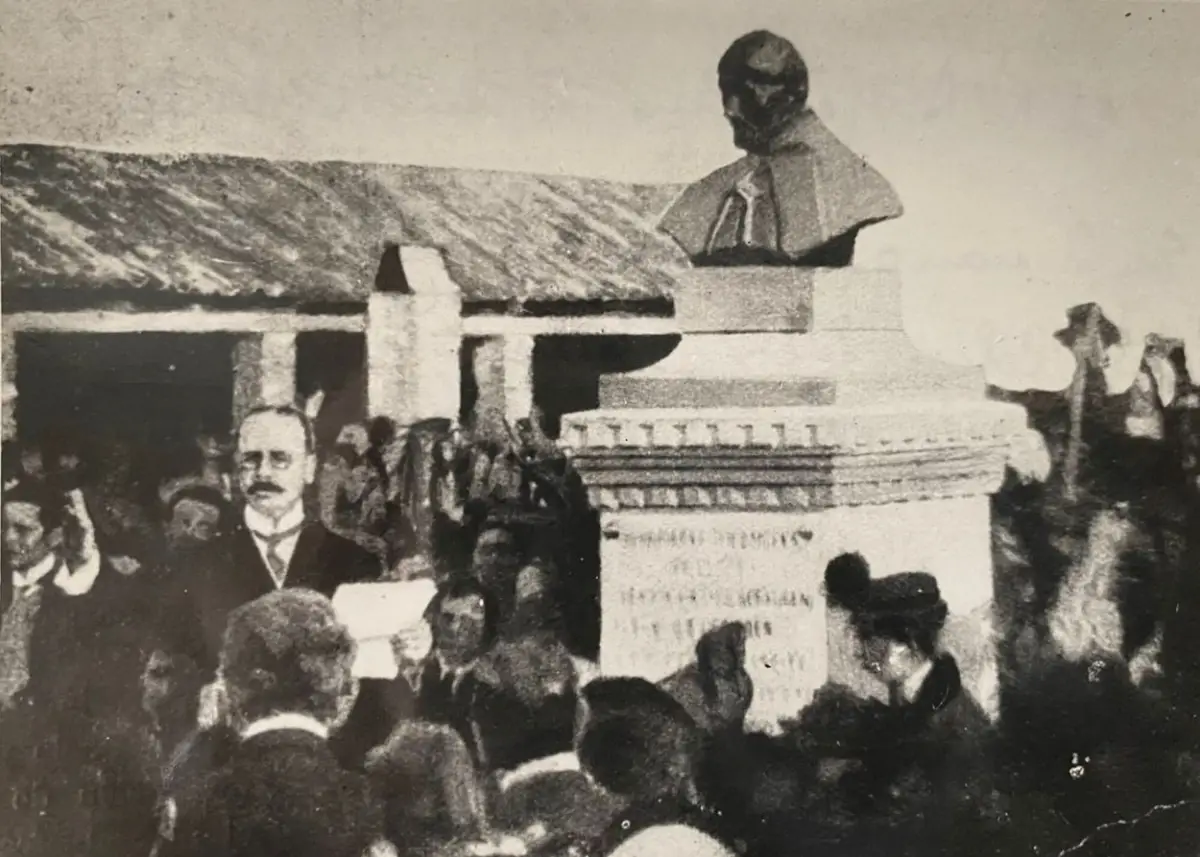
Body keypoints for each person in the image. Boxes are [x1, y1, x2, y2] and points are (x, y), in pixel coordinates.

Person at [160, 588, 391, 857]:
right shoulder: (366, 806)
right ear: (344, 696)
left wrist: (202, 740)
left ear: (230, 692)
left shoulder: (197, 802)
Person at [165, 405, 383, 674]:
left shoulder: (355, 562)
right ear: (236, 469)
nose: (263, 473)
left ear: (309, 468)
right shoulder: (196, 566)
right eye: (250, 459)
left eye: (280, 459)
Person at [658, 30, 903, 268]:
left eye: (742, 93)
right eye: (726, 92)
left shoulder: (857, 184)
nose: (730, 110)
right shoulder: (710, 189)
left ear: (785, 96)